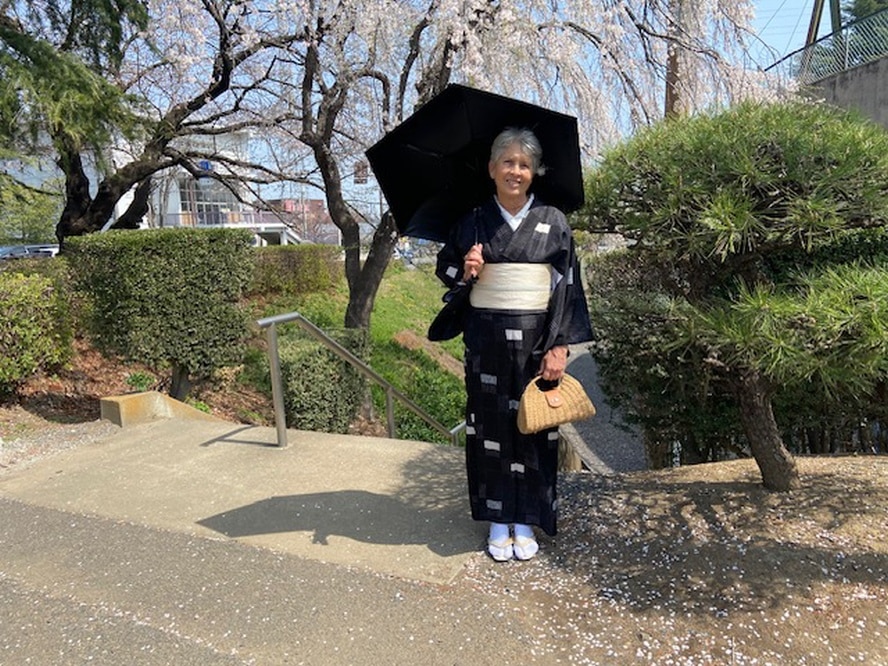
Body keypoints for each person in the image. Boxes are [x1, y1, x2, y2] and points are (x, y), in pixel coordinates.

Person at [435, 127, 593, 561]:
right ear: (491, 168)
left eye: (524, 164)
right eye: (507, 162)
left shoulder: (554, 222)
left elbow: (568, 287)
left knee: (535, 426)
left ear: (534, 172)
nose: (516, 171)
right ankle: (497, 520)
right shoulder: (472, 222)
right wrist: (467, 269)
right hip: (485, 342)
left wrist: (560, 346)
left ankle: (527, 517)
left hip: (537, 341)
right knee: (487, 428)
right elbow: (445, 271)